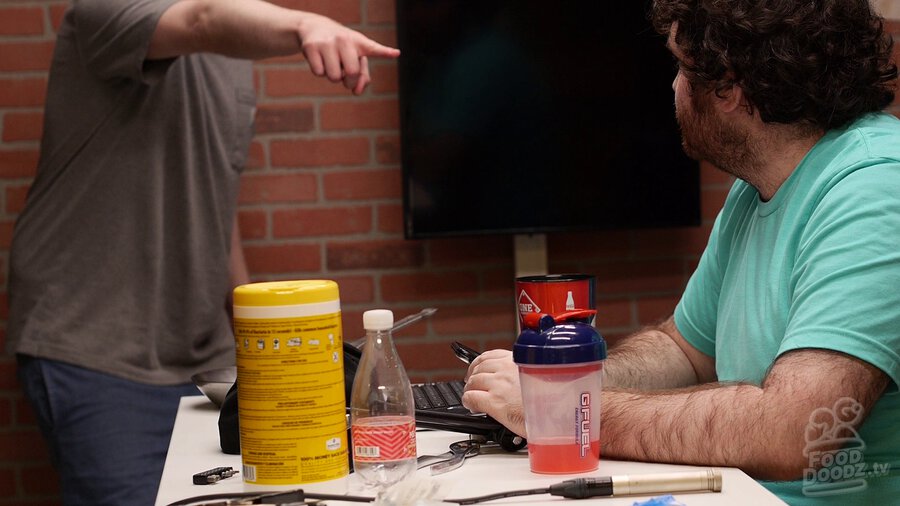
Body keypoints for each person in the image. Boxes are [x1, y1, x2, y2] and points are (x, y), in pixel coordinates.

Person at [463, 1, 899, 504]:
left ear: (729, 88)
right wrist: (560, 380)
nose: (671, 87)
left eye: (681, 66)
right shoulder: (756, 189)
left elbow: (795, 431)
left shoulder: (874, 190)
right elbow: (684, 351)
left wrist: (566, 411)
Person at [6, 0, 398, 504]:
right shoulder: (107, 11)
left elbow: (215, 199)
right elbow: (200, 19)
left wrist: (249, 331)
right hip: (96, 348)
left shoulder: (232, 58)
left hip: (202, 359)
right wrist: (306, 24)